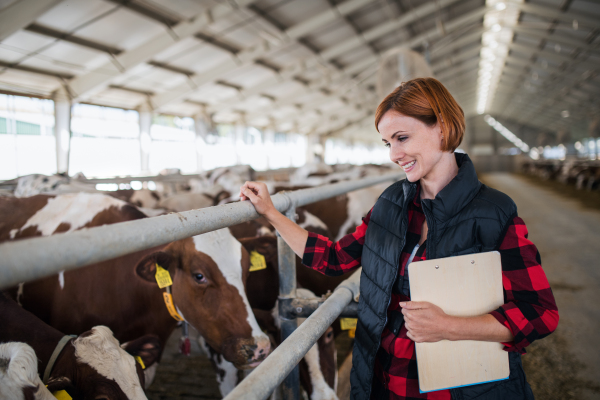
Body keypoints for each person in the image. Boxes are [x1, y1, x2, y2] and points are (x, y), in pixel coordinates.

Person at [239, 77, 559, 400]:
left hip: (459, 390)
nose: (394, 154)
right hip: (384, 386)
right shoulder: (390, 204)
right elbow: (335, 258)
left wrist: (449, 326)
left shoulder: (495, 214)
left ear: (443, 128)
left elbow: (540, 313)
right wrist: (271, 213)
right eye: (387, 143)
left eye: (402, 138)